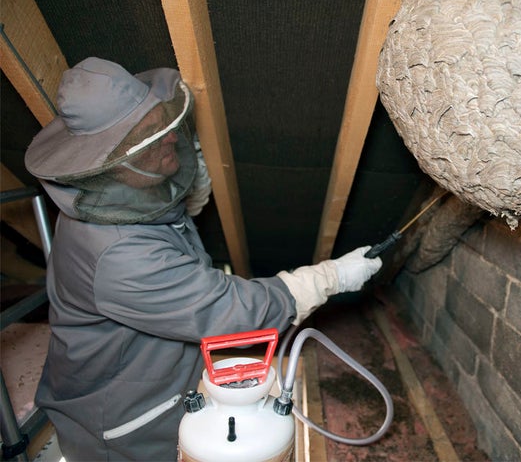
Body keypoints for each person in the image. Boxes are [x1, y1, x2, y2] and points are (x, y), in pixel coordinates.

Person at [24, 57, 382, 461]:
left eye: (164, 123)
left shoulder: (118, 200)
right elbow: (230, 311)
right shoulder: (119, 257)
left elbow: (161, 228)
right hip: (118, 422)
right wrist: (330, 278)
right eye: (148, 137)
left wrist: (190, 196)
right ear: (112, 163)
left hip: (148, 373)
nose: (169, 140)